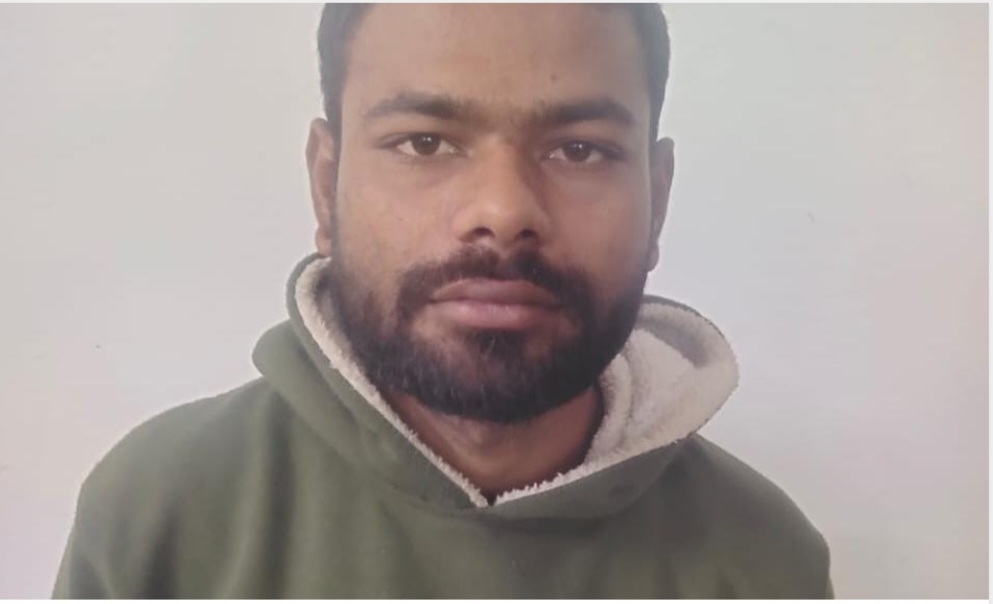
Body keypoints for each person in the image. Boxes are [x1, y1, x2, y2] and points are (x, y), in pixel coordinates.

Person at [53, 4, 832, 598]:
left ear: (656, 201)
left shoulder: (763, 560)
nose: (503, 209)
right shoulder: (159, 511)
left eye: (579, 149)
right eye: (424, 141)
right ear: (325, 184)